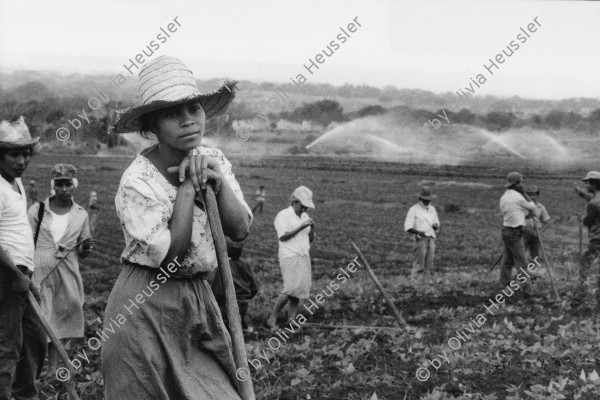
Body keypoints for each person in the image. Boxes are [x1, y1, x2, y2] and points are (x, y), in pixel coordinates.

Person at [102, 56, 252, 400]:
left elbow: (240, 229)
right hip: (145, 304)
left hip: (198, 298)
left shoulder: (214, 159)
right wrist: (186, 189)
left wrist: (215, 181)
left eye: (194, 109)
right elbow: (171, 256)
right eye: (172, 114)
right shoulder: (138, 182)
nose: (188, 121)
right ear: (152, 126)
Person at [29, 164, 94, 372]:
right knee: (40, 319)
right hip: (41, 273)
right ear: (53, 186)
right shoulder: (37, 210)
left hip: (67, 272)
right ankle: (37, 368)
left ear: (74, 185)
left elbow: (83, 250)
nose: (64, 189)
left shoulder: (81, 214)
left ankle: (55, 368)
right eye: (59, 184)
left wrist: (85, 248)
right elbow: (26, 240)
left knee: (67, 312)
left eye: (68, 184)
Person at [0, 116, 46, 400]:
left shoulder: (16, 186)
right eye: (14, 153)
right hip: (6, 276)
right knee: (8, 346)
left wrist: (27, 277)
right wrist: (16, 276)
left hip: (20, 276)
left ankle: (25, 394)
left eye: (26, 153)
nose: (21, 160)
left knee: (34, 340)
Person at [267, 186, 315, 329]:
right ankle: (272, 317)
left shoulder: (305, 217)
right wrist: (300, 227)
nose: (304, 210)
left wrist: (312, 228)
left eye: (306, 207)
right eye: (302, 206)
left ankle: (291, 320)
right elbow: (283, 237)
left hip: (303, 254)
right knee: (290, 289)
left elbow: (310, 239)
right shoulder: (283, 215)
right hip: (289, 254)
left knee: (298, 290)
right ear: (294, 201)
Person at [211, 239, 259, 334]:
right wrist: (246, 297)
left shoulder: (222, 267)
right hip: (243, 305)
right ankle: (242, 326)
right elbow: (255, 287)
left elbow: (217, 290)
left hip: (226, 306)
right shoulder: (245, 266)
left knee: (224, 325)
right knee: (237, 321)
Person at [498, 172, 536, 289]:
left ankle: (504, 284)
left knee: (507, 260)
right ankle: (527, 288)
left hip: (507, 231)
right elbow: (532, 206)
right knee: (522, 262)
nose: (523, 185)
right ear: (517, 183)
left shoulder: (505, 196)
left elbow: (516, 211)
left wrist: (525, 215)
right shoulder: (517, 197)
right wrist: (524, 193)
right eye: (521, 182)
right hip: (515, 232)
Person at [571, 171, 600, 309]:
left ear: (594, 183)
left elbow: (587, 221)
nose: (586, 185)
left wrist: (581, 218)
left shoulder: (593, 203)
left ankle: (578, 300)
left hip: (596, 240)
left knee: (585, 267)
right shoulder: (595, 198)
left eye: (587, 183)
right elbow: (588, 196)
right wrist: (578, 191)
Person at [404, 187, 440, 281]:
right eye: (425, 200)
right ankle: (415, 283)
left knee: (429, 263)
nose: (427, 202)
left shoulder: (432, 209)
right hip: (420, 239)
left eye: (429, 200)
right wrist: (418, 232)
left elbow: (436, 223)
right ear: (420, 199)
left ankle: (426, 284)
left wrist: (436, 226)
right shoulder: (414, 209)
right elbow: (408, 227)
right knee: (419, 264)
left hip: (431, 238)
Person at [522, 185, 551, 261]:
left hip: (536, 234)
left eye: (534, 194)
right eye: (530, 194)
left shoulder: (540, 207)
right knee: (521, 255)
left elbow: (547, 221)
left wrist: (540, 232)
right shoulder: (522, 206)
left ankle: (533, 270)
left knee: (535, 256)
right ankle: (520, 271)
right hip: (523, 233)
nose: (532, 197)